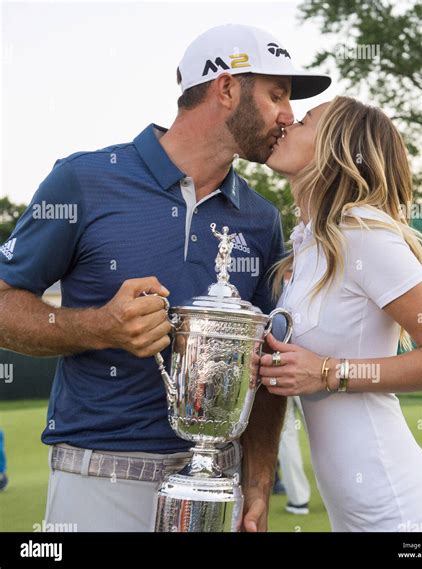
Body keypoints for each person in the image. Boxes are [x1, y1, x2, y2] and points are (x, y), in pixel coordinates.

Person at [0, 24, 330, 532]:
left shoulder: (262, 218)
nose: (288, 115)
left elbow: (263, 366)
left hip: (216, 488)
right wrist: (98, 327)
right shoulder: (84, 179)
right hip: (98, 481)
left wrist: (258, 484)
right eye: (276, 95)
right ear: (226, 88)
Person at [260, 96, 422, 532]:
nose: (287, 124)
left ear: (334, 147)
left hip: (399, 512)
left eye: (303, 121)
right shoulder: (309, 244)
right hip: (352, 513)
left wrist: (328, 372)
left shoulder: (363, 235)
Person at [278, 396, 311, 514]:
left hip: (276, 380)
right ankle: (340, 493)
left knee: (286, 436)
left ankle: (298, 500)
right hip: (313, 381)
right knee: (321, 433)